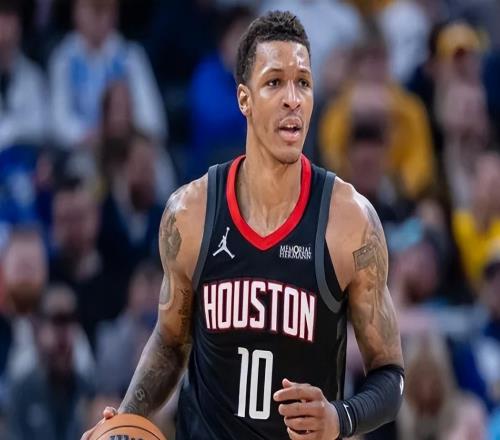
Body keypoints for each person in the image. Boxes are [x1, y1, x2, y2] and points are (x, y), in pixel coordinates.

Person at [82, 11, 404, 440]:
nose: (292, 98)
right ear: (244, 99)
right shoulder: (191, 212)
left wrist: (340, 418)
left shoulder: (349, 221)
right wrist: (126, 419)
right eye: (274, 82)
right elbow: (171, 341)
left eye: (303, 83)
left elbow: (390, 375)